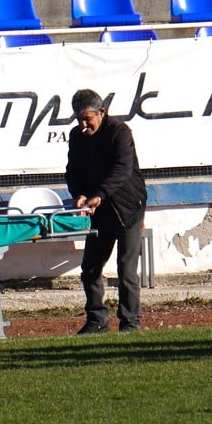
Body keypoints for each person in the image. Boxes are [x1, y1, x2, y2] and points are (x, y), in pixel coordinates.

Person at [65, 88, 147, 334]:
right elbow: (72, 170)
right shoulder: (77, 136)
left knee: (126, 269)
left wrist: (99, 194)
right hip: (98, 211)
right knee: (90, 267)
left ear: (102, 112)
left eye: (87, 118)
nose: (83, 124)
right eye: (79, 119)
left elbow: (123, 169)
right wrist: (78, 193)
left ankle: (130, 322)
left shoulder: (119, 132)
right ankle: (97, 320)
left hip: (128, 208)